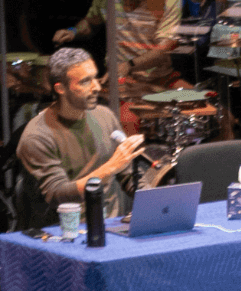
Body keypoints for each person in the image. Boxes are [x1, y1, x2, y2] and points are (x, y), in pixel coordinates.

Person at [15, 47, 145, 229]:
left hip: (112, 225)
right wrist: (110, 167)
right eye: (85, 81)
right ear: (60, 88)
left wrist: (152, 202)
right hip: (66, 232)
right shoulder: (37, 136)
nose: (97, 87)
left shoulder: (104, 116)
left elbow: (129, 175)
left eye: (95, 78)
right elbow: (58, 195)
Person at [52, 0, 182, 87]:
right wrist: (73, 31)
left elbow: (162, 50)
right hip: (122, 80)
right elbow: (91, 22)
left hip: (160, 78)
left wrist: (129, 65)